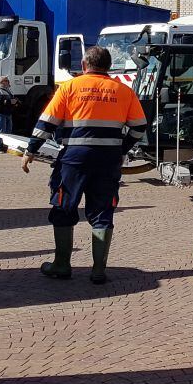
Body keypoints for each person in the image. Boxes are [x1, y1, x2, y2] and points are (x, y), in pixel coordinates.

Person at [20, 46, 148, 284]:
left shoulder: (69, 87)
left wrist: (30, 150)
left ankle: (61, 265)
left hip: (74, 159)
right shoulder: (123, 90)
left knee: (63, 207)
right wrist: (121, 149)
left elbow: (46, 123)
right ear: (108, 67)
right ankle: (98, 270)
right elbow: (139, 126)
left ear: (84, 65)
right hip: (108, 159)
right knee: (102, 211)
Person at [0, 76, 18, 153]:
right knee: (0, 131)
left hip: (6, 113)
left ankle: (5, 147)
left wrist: (15, 102)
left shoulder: (6, 90)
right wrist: (10, 102)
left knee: (8, 131)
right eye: (7, 81)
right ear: (2, 82)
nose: (9, 82)